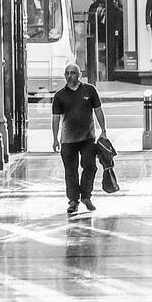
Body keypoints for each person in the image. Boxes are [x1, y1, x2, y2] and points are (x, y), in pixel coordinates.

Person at [51, 62, 107, 215]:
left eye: (73, 73)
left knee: (90, 166)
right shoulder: (60, 95)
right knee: (71, 171)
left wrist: (103, 130)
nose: (69, 76)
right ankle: (73, 200)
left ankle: (86, 196)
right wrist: (55, 139)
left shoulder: (89, 90)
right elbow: (56, 119)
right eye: (67, 73)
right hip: (68, 140)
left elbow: (98, 111)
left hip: (87, 138)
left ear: (79, 75)